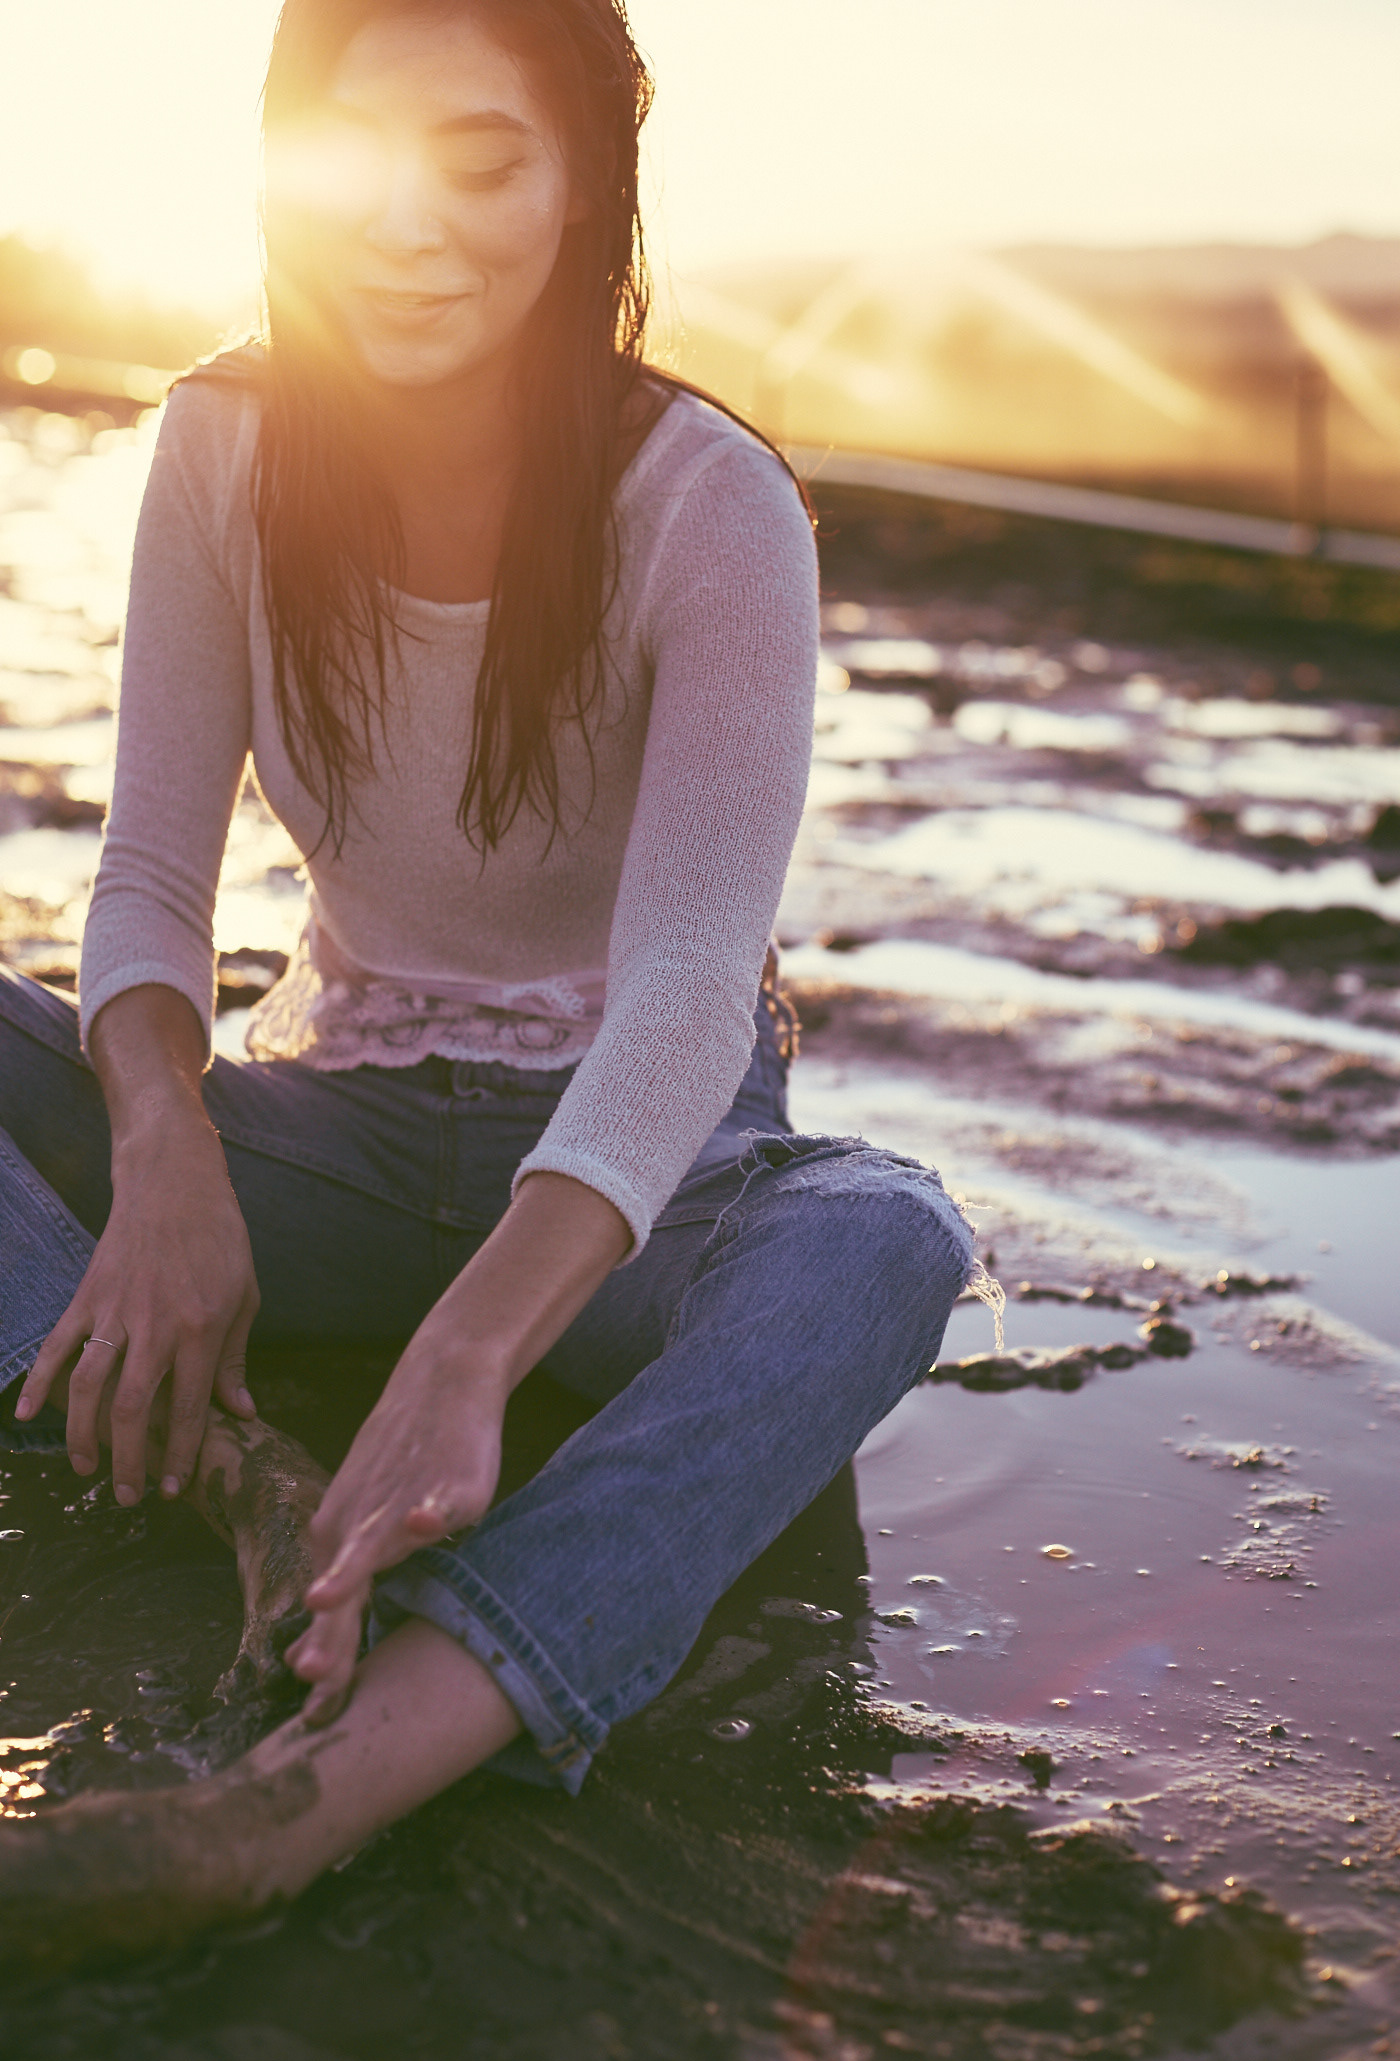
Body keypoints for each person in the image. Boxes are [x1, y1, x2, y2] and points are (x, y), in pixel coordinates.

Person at [0, 0, 991, 1954]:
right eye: (365, 164)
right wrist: (168, 1147)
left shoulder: (707, 502)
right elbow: (149, 879)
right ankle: (226, 1466)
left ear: (580, 191)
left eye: (485, 164)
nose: (415, 226)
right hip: (333, 1139)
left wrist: (470, 1354)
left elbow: (696, 995)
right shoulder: (222, 441)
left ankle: (317, 1792)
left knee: (883, 1241)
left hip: (642, 1189)